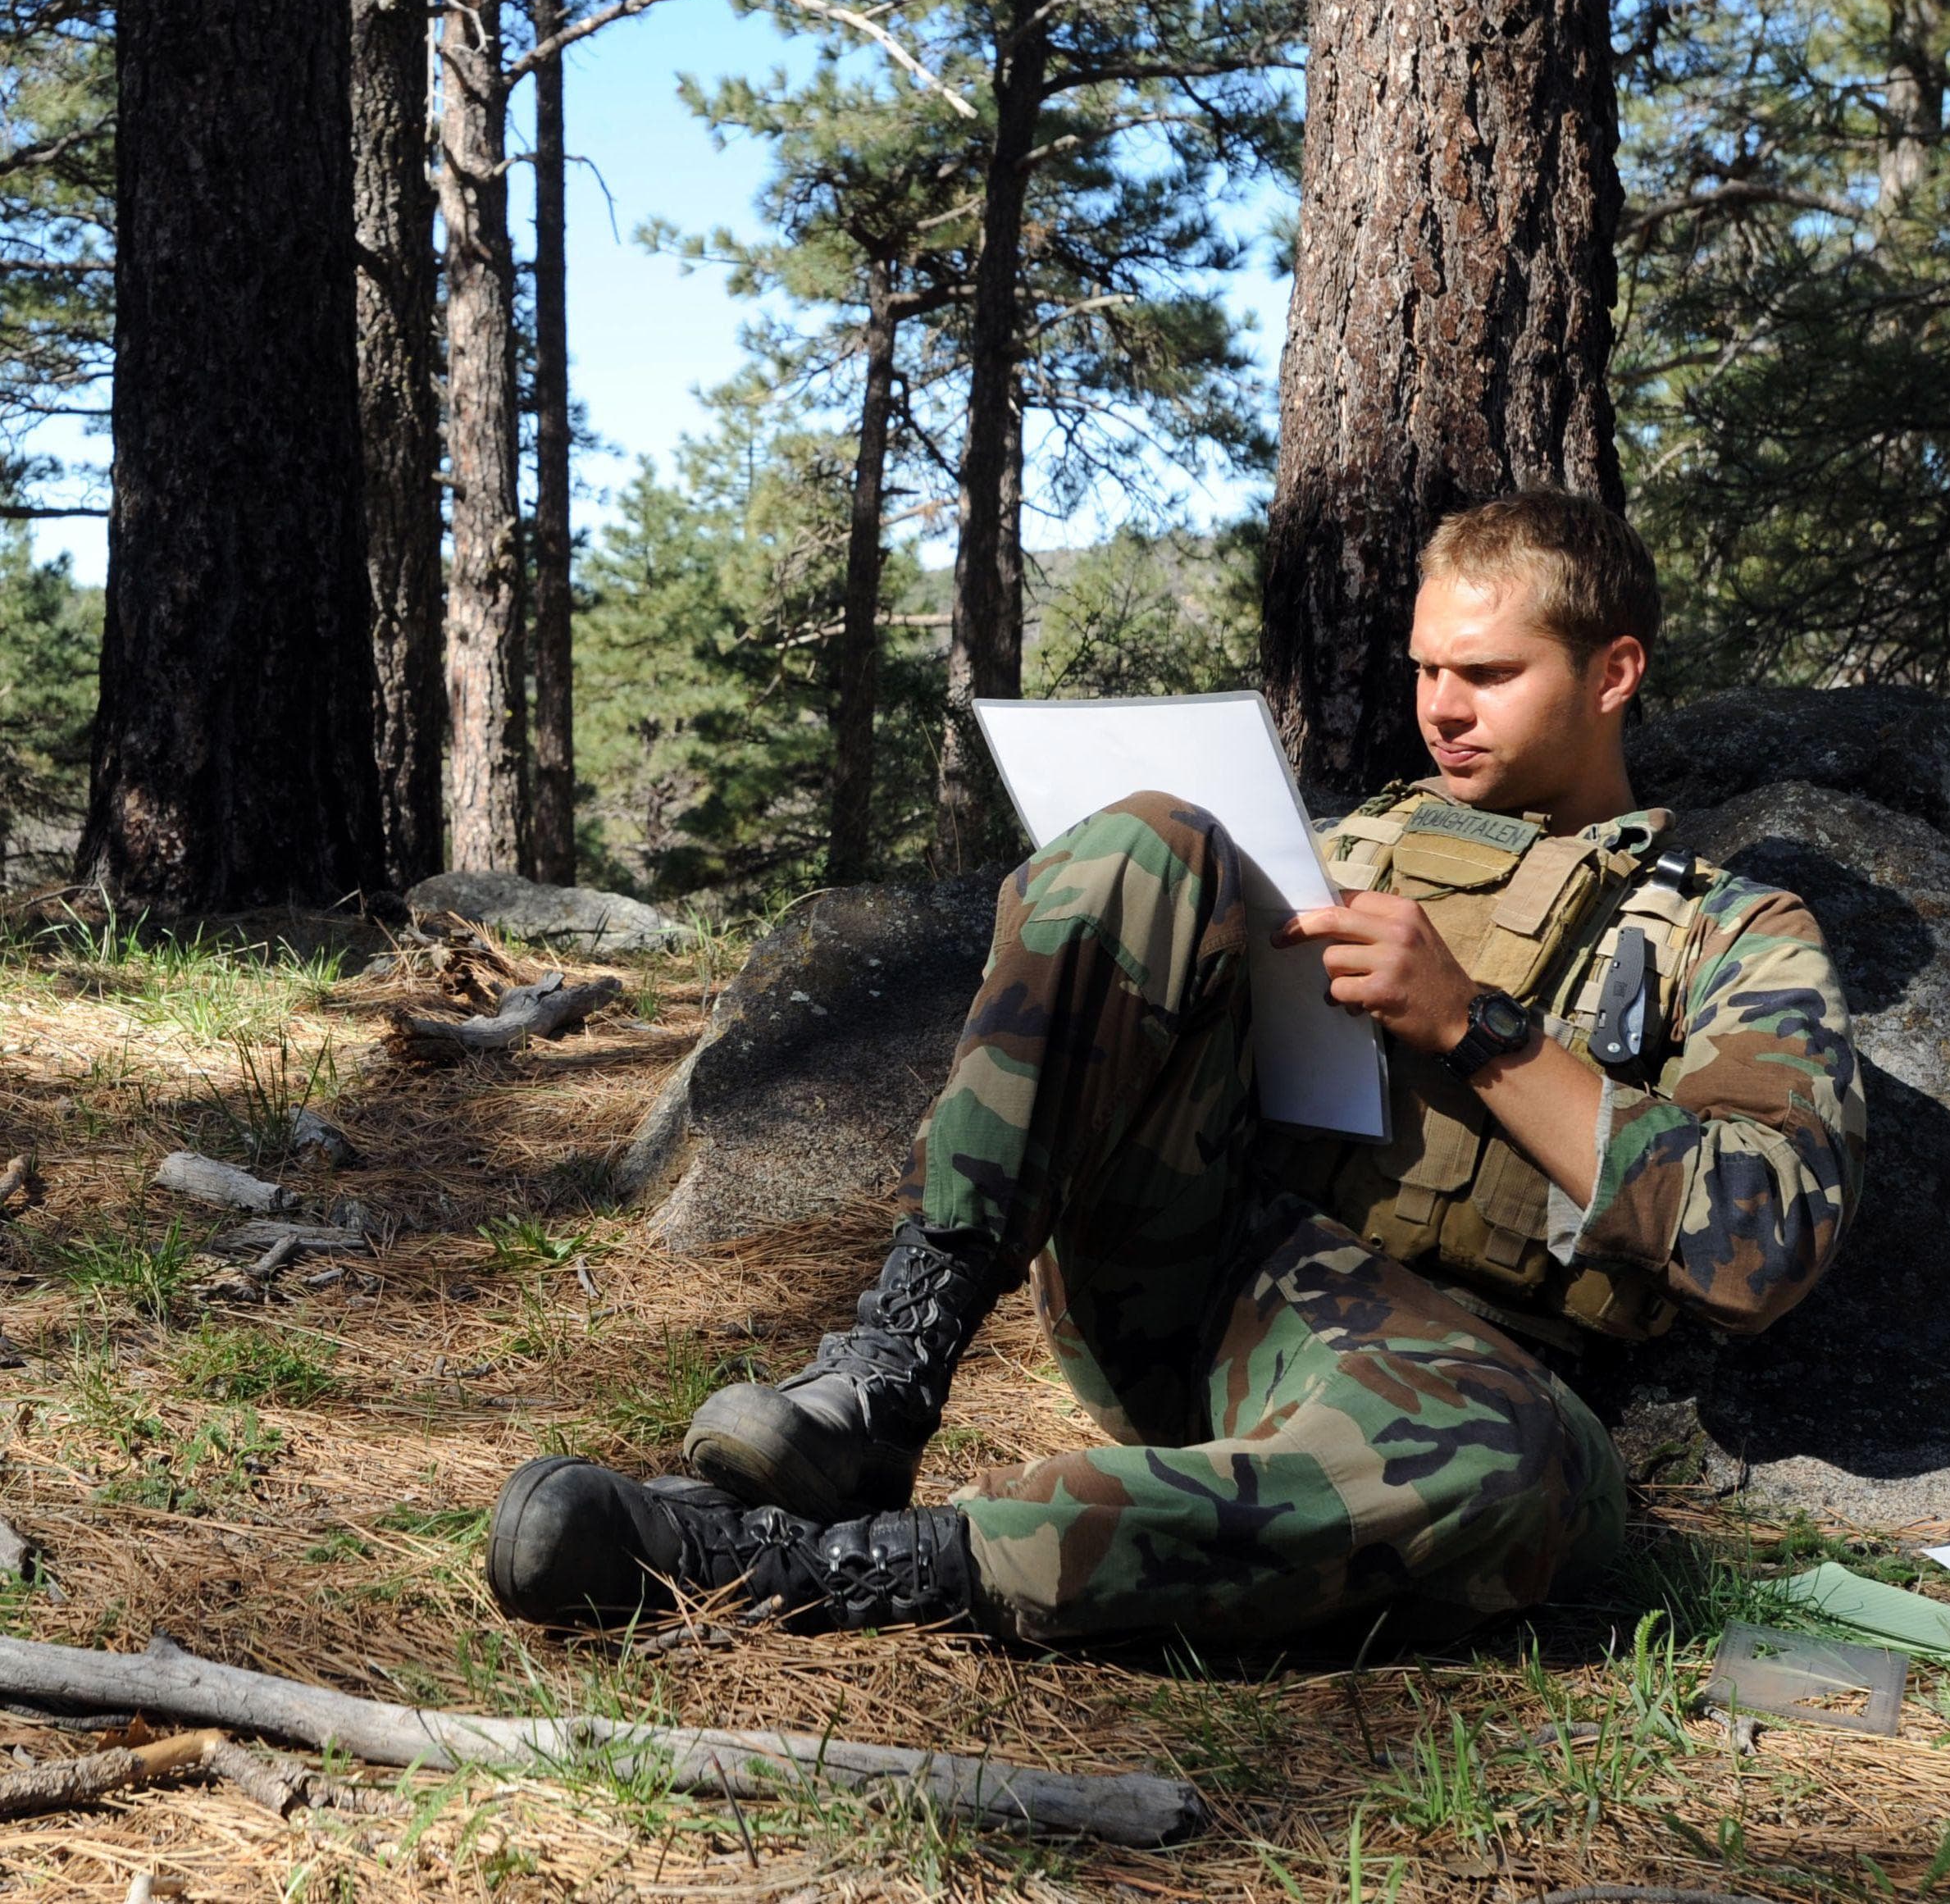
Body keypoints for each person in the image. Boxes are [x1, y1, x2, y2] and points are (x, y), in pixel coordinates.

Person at [485, 488, 1865, 1645]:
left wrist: (1475, 1027)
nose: (1442, 710)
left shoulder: (1727, 932)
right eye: (1426, 670)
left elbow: (1763, 1243)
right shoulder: (1325, 852)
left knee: (1514, 1472)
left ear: (1613, 674)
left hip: (1456, 1378)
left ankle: (797, 1564)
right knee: (1146, 835)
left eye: (1489, 675)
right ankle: (886, 1375)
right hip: (1198, 1285)